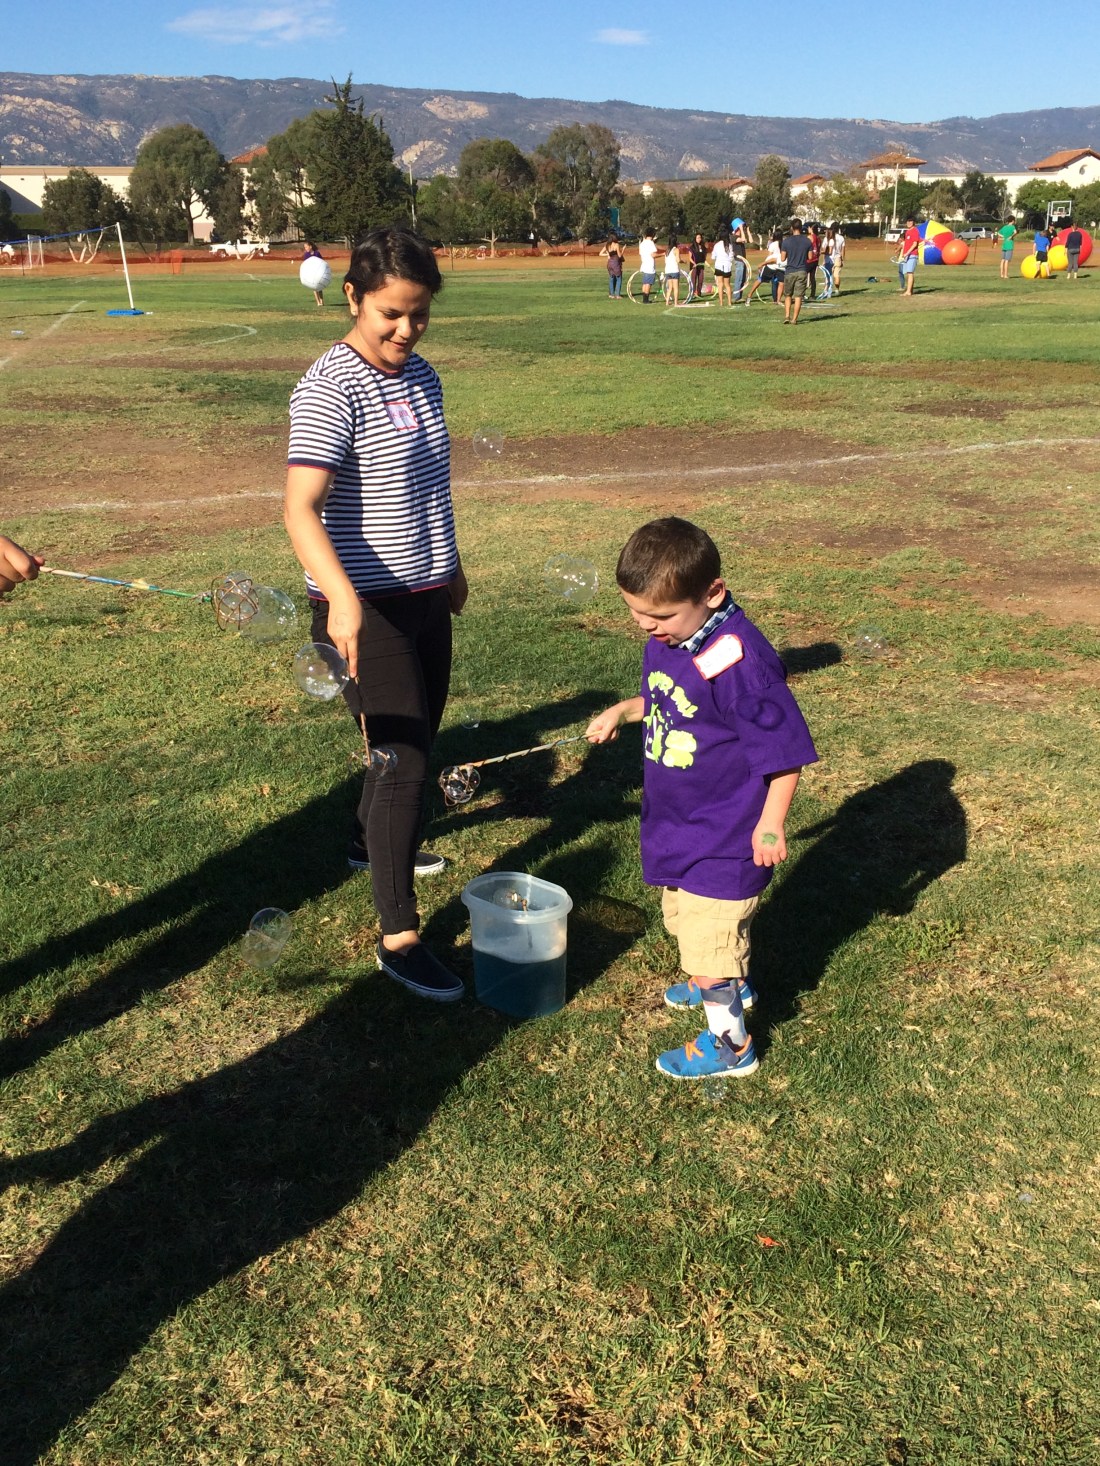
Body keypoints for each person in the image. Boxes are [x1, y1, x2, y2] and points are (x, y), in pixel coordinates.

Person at [284, 225, 468, 1003]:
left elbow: (427, 484)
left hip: (427, 597)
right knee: (403, 763)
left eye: (419, 314)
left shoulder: (421, 377)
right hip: (363, 609)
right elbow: (300, 508)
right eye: (391, 313)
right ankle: (399, 936)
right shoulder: (332, 384)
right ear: (353, 296)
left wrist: (451, 567)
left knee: (417, 737)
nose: (404, 329)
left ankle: (367, 843)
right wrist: (345, 602)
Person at [585, 518, 817, 1080]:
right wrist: (624, 709)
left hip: (726, 833)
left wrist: (771, 824)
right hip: (681, 820)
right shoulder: (674, 638)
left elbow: (783, 753)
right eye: (635, 612)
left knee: (709, 935)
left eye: (660, 615)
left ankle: (731, 1047)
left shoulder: (744, 666)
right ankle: (722, 978)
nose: (646, 625)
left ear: (712, 592)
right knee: (688, 922)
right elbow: (666, 697)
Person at [780, 218, 812, 324]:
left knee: (788, 295)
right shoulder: (807, 241)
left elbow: (783, 258)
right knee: (798, 296)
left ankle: (787, 316)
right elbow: (810, 257)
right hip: (802, 270)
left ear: (791, 228)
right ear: (801, 227)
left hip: (790, 271)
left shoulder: (786, 241)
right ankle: (794, 319)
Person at [709, 229, 733, 306]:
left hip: (719, 266)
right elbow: (731, 256)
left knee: (720, 284)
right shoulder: (729, 245)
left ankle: (721, 302)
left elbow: (713, 256)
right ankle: (729, 302)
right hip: (727, 266)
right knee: (727, 285)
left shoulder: (717, 245)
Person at [898, 216, 920, 296]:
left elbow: (915, 244)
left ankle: (908, 291)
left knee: (910, 272)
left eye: (910, 221)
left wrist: (907, 253)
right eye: (907, 221)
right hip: (907, 256)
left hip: (912, 255)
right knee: (908, 273)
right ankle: (910, 290)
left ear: (913, 222)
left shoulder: (915, 231)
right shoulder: (907, 232)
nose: (909, 223)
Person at [301, 241, 326, 308]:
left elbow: (322, 262)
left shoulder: (317, 253)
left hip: (318, 272)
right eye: (304, 247)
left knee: (320, 287)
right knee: (314, 287)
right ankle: (318, 302)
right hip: (311, 273)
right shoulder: (306, 255)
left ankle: (322, 301)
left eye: (306, 247)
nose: (305, 248)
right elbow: (305, 264)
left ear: (310, 246)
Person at [638, 229, 659, 304]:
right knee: (648, 283)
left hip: (644, 265)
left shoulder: (642, 243)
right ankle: (646, 300)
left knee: (645, 283)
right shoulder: (650, 243)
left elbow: (640, 253)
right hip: (649, 266)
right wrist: (662, 255)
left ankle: (644, 299)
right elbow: (653, 254)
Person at [663, 237, 683, 305]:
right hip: (674, 270)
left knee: (670, 287)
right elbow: (678, 260)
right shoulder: (676, 249)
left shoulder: (667, 250)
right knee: (676, 287)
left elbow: (665, 261)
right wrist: (683, 261)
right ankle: (676, 302)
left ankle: (667, 302)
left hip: (667, 271)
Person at [688, 232, 708, 299]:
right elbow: (689, 258)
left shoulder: (703, 247)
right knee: (693, 280)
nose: (699, 239)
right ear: (695, 239)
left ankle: (699, 293)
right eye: (697, 238)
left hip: (701, 266)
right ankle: (692, 293)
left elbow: (704, 258)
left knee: (701, 280)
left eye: (700, 238)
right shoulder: (692, 247)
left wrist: (706, 263)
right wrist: (694, 263)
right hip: (694, 266)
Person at [805, 222, 821, 299]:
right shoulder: (818, 238)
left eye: (808, 228)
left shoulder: (810, 237)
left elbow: (805, 247)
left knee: (803, 276)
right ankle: (812, 295)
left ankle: (801, 293)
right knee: (812, 277)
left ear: (811, 229)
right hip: (816, 259)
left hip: (809, 259)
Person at [830, 222, 846, 293]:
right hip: (838, 257)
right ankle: (837, 290)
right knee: (836, 275)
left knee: (829, 275)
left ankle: (828, 289)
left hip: (830, 258)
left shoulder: (830, 237)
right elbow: (843, 250)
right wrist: (842, 259)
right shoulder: (841, 238)